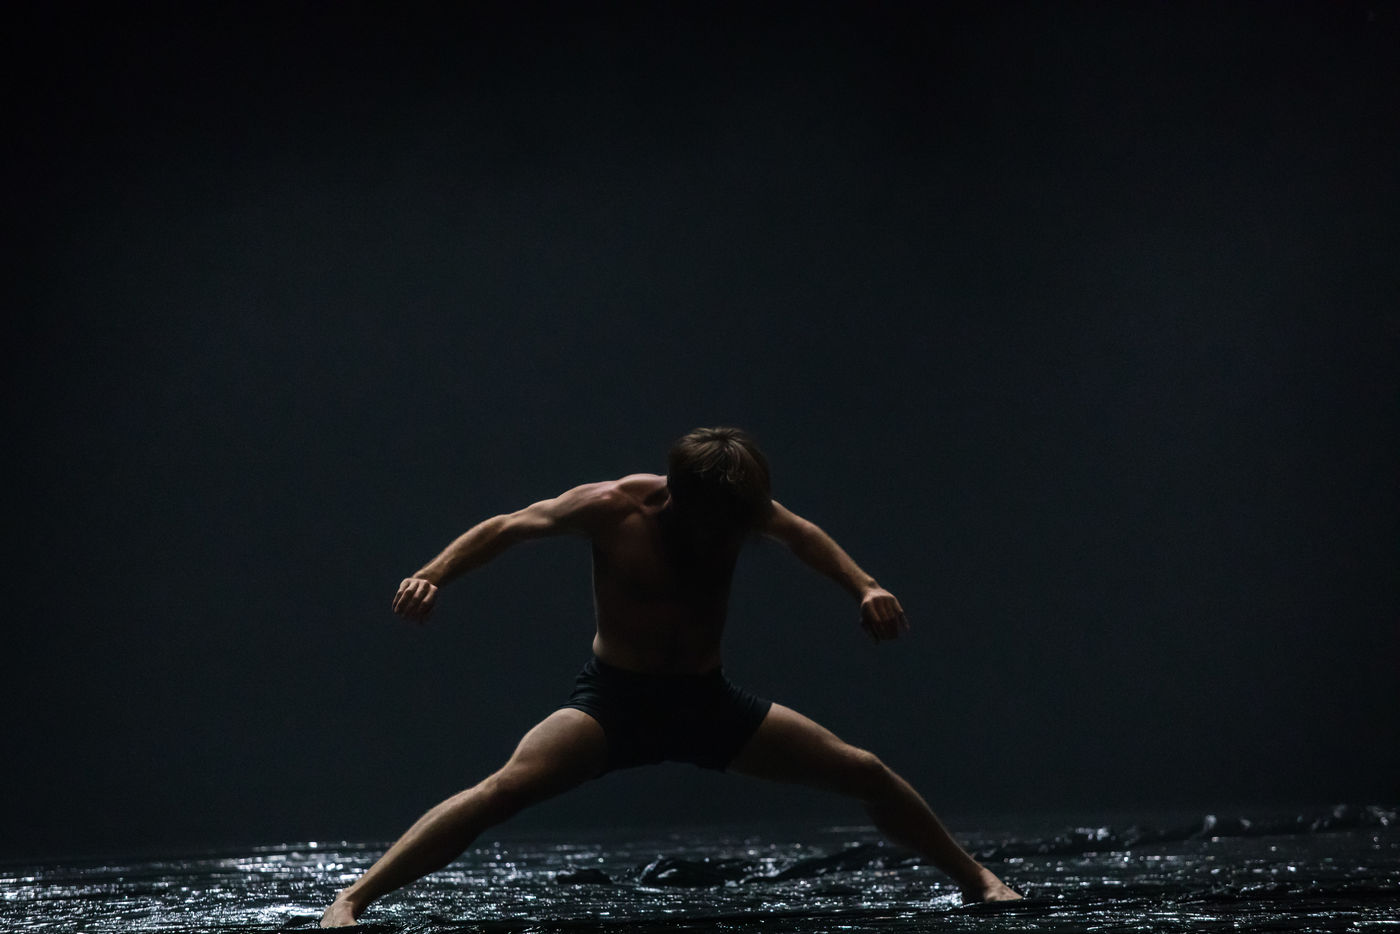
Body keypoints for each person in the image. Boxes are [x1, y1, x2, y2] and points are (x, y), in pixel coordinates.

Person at [320, 427, 1020, 927]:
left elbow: (802, 535)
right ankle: (352, 900)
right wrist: (434, 574)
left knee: (864, 771)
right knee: (501, 791)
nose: (723, 538)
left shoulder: (743, 513)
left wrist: (865, 586)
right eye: (712, 523)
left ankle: (979, 880)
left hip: (705, 703)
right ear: (679, 498)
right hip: (614, 704)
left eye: (735, 526)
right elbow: (509, 526)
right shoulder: (612, 507)